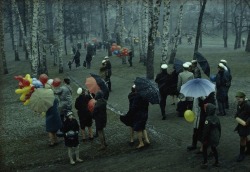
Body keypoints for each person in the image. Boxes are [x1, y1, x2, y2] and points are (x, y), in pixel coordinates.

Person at [129, 85, 150, 149]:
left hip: (138, 114)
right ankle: (147, 140)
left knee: (139, 129)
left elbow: (134, 107)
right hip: (145, 113)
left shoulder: (135, 97)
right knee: (143, 127)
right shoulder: (145, 96)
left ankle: (141, 143)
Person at [200, 103, 221, 169]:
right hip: (215, 136)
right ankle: (217, 162)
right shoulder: (216, 117)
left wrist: (203, 139)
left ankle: (205, 163)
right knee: (214, 149)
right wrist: (219, 136)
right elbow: (219, 127)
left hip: (209, 137)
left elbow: (206, 131)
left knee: (204, 149)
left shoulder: (208, 119)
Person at [234, 91, 250, 162]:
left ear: (243, 98)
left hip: (246, 124)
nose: (238, 100)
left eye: (239, 99)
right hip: (241, 123)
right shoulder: (239, 104)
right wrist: (236, 115)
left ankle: (241, 154)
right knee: (245, 136)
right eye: (237, 99)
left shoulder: (247, 105)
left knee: (242, 138)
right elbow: (238, 112)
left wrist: (247, 122)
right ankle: (249, 150)